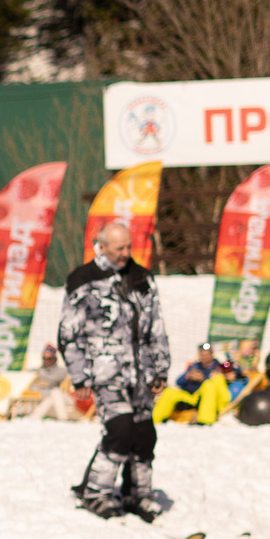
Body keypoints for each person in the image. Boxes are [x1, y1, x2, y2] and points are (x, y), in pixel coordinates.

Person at [57, 218, 171, 518]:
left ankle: (138, 494)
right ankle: (96, 492)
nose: (125, 253)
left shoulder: (142, 277)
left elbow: (156, 326)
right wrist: (80, 376)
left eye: (128, 247)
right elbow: (68, 334)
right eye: (119, 248)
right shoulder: (83, 279)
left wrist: (160, 368)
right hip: (106, 371)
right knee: (119, 429)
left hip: (141, 372)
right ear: (102, 246)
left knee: (144, 434)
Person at [154, 342, 235, 425]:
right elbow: (178, 381)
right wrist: (188, 376)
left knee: (209, 385)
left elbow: (233, 372)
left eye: (206, 355)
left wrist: (204, 378)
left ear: (212, 354)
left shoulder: (219, 366)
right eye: (202, 355)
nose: (204, 358)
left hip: (207, 395)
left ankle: (205, 419)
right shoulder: (195, 366)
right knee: (169, 392)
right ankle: (155, 419)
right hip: (191, 395)